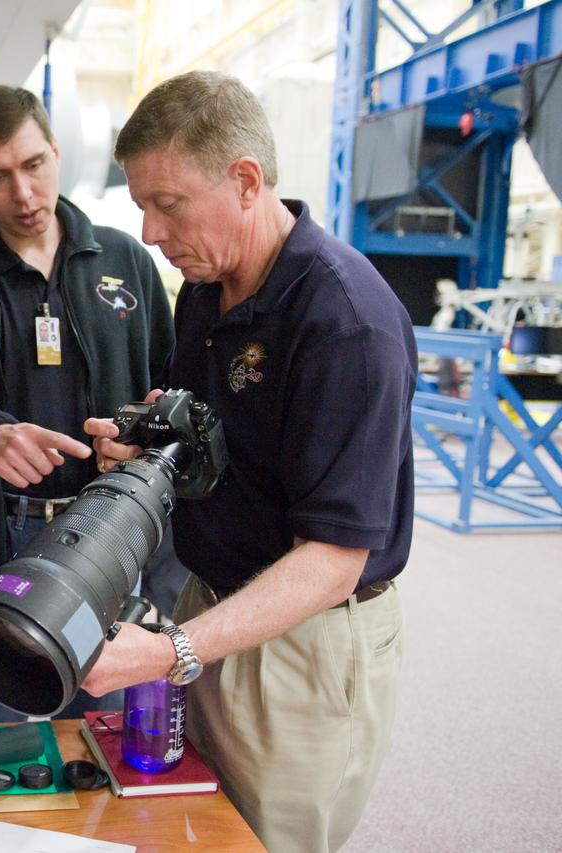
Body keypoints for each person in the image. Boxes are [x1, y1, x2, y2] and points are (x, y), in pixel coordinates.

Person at [81, 70, 416, 853]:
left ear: (245, 181)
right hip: (212, 603)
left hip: (307, 635)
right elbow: (212, 433)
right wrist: (146, 443)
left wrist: (170, 651)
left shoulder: (345, 323)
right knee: (194, 827)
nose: (152, 234)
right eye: (140, 208)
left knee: (266, 838)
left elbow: (334, 559)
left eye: (168, 204)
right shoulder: (206, 285)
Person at [0, 85, 179, 724]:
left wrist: (138, 435)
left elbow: (174, 380)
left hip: (107, 531)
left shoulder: (127, 263)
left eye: (33, 166)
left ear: (55, 152)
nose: (22, 195)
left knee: (105, 718)